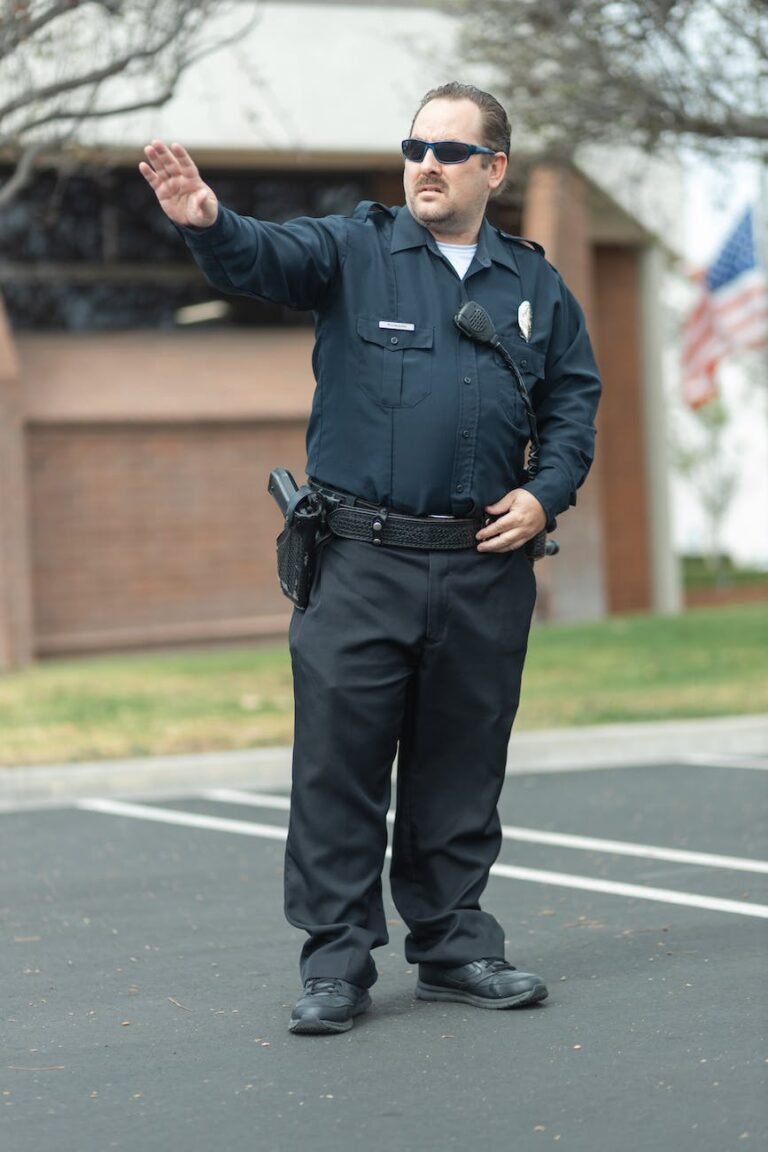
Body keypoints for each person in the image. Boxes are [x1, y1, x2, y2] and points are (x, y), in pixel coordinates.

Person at [139, 82, 601, 1036]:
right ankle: (337, 963)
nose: (426, 164)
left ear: (494, 170)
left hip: (480, 565)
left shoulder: (535, 286)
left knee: (461, 767)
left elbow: (573, 408)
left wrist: (544, 493)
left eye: (449, 151)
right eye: (414, 146)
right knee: (339, 771)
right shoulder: (356, 249)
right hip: (359, 561)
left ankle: (456, 944)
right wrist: (210, 221)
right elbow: (265, 256)